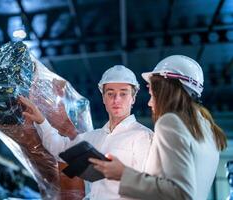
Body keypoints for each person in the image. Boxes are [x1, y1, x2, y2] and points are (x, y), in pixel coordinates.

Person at [89, 55, 227, 200]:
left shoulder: (170, 122)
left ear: (164, 91)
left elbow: (181, 194)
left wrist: (123, 174)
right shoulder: (207, 128)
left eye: (152, 95)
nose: (150, 103)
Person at [19, 65, 153, 199]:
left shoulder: (143, 136)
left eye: (123, 93)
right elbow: (59, 148)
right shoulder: (94, 137)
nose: (116, 99)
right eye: (110, 93)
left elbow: (147, 187)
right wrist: (41, 120)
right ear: (103, 98)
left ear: (133, 98)